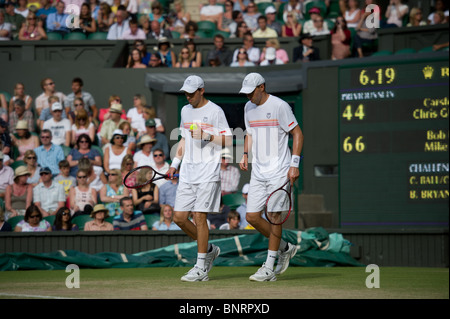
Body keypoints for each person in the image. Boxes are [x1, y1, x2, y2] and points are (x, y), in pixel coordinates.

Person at [166, 75, 232, 282]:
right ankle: (209, 249)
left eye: (191, 93)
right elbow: (184, 139)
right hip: (187, 172)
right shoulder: (185, 110)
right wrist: (174, 164)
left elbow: (229, 140)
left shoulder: (215, 111)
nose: (188, 96)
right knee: (178, 217)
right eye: (185, 92)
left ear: (201, 90)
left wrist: (207, 136)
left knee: (199, 217)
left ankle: (201, 267)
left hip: (208, 173)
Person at [238, 72, 304, 281]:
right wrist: (245, 153)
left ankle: (269, 267)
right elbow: (249, 133)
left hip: (279, 170)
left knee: (274, 217)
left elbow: (298, 134)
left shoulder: (280, 106)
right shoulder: (248, 107)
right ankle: (285, 247)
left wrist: (294, 165)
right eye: (246, 93)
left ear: (262, 87)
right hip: (258, 171)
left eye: (251, 92)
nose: (248, 97)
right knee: (252, 217)